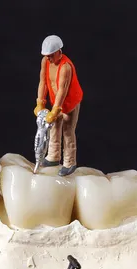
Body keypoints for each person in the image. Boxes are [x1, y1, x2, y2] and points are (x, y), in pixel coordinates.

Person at [33, 34, 83, 176]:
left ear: (59, 52)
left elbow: (62, 90)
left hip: (70, 102)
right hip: (56, 102)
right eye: (46, 55)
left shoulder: (65, 67)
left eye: (51, 55)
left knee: (68, 131)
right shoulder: (45, 62)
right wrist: (40, 102)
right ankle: (53, 157)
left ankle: (70, 162)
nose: (48, 58)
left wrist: (55, 110)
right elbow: (42, 82)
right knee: (54, 127)